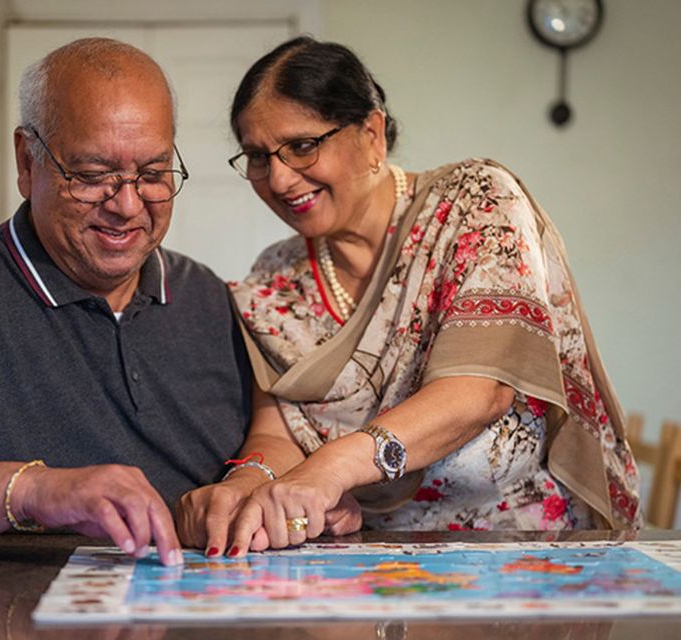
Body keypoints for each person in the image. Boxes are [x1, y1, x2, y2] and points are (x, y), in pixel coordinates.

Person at [177, 37, 641, 557]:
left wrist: (328, 470)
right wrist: (246, 489)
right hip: (372, 573)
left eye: (302, 146)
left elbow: (477, 393)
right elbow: (278, 434)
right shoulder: (273, 282)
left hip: (526, 560)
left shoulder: (474, 204)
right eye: (259, 157)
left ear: (371, 134)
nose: (279, 179)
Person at [0, 38, 252, 566]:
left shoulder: (206, 297)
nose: (127, 205)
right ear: (26, 161)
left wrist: (268, 488)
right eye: (91, 176)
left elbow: (270, 440)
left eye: (153, 175)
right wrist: (33, 491)